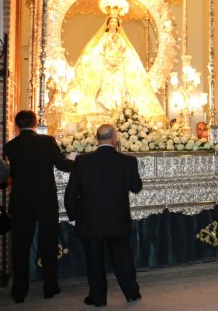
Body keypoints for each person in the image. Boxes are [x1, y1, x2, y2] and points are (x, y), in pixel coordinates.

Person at [64, 124, 142, 307]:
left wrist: (74, 217)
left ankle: (98, 298)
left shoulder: (82, 161)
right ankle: (131, 293)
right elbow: (136, 188)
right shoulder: (128, 161)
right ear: (115, 138)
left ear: (96, 138)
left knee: (94, 261)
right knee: (123, 258)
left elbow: (71, 192)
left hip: (90, 220)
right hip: (118, 219)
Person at [61, 0, 165, 126]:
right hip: (106, 69)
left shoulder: (122, 39)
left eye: (116, 22)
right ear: (107, 23)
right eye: (112, 22)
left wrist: (124, 59)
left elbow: (127, 54)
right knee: (104, 89)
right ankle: (103, 111)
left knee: (121, 90)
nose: (114, 24)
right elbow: (95, 51)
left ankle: (120, 112)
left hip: (119, 70)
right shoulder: (102, 38)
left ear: (118, 24)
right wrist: (96, 58)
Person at [4, 110, 73, 303]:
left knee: (20, 247)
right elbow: (62, 165)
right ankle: (50, 287)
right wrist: (80, 163)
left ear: (17, 125)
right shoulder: (46, 141)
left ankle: (19, 290)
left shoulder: (10, 146)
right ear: (35, 123)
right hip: (45, 201)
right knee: (48, 243)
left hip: (20, 202)